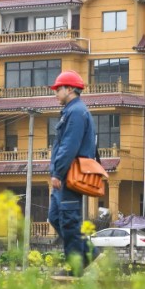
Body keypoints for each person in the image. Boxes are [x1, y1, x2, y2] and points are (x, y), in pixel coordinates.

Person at [47, 69, 99, 274]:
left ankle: (75, 267)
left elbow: (69, 146)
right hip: (65, 176)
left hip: (69, 176)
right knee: (55, 217)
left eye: (58, 89)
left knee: (68, 221)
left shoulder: (76, 112)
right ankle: (90, 253)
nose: (55, 93)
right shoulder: (72, 111)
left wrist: (58, 173)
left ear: (69, 89)